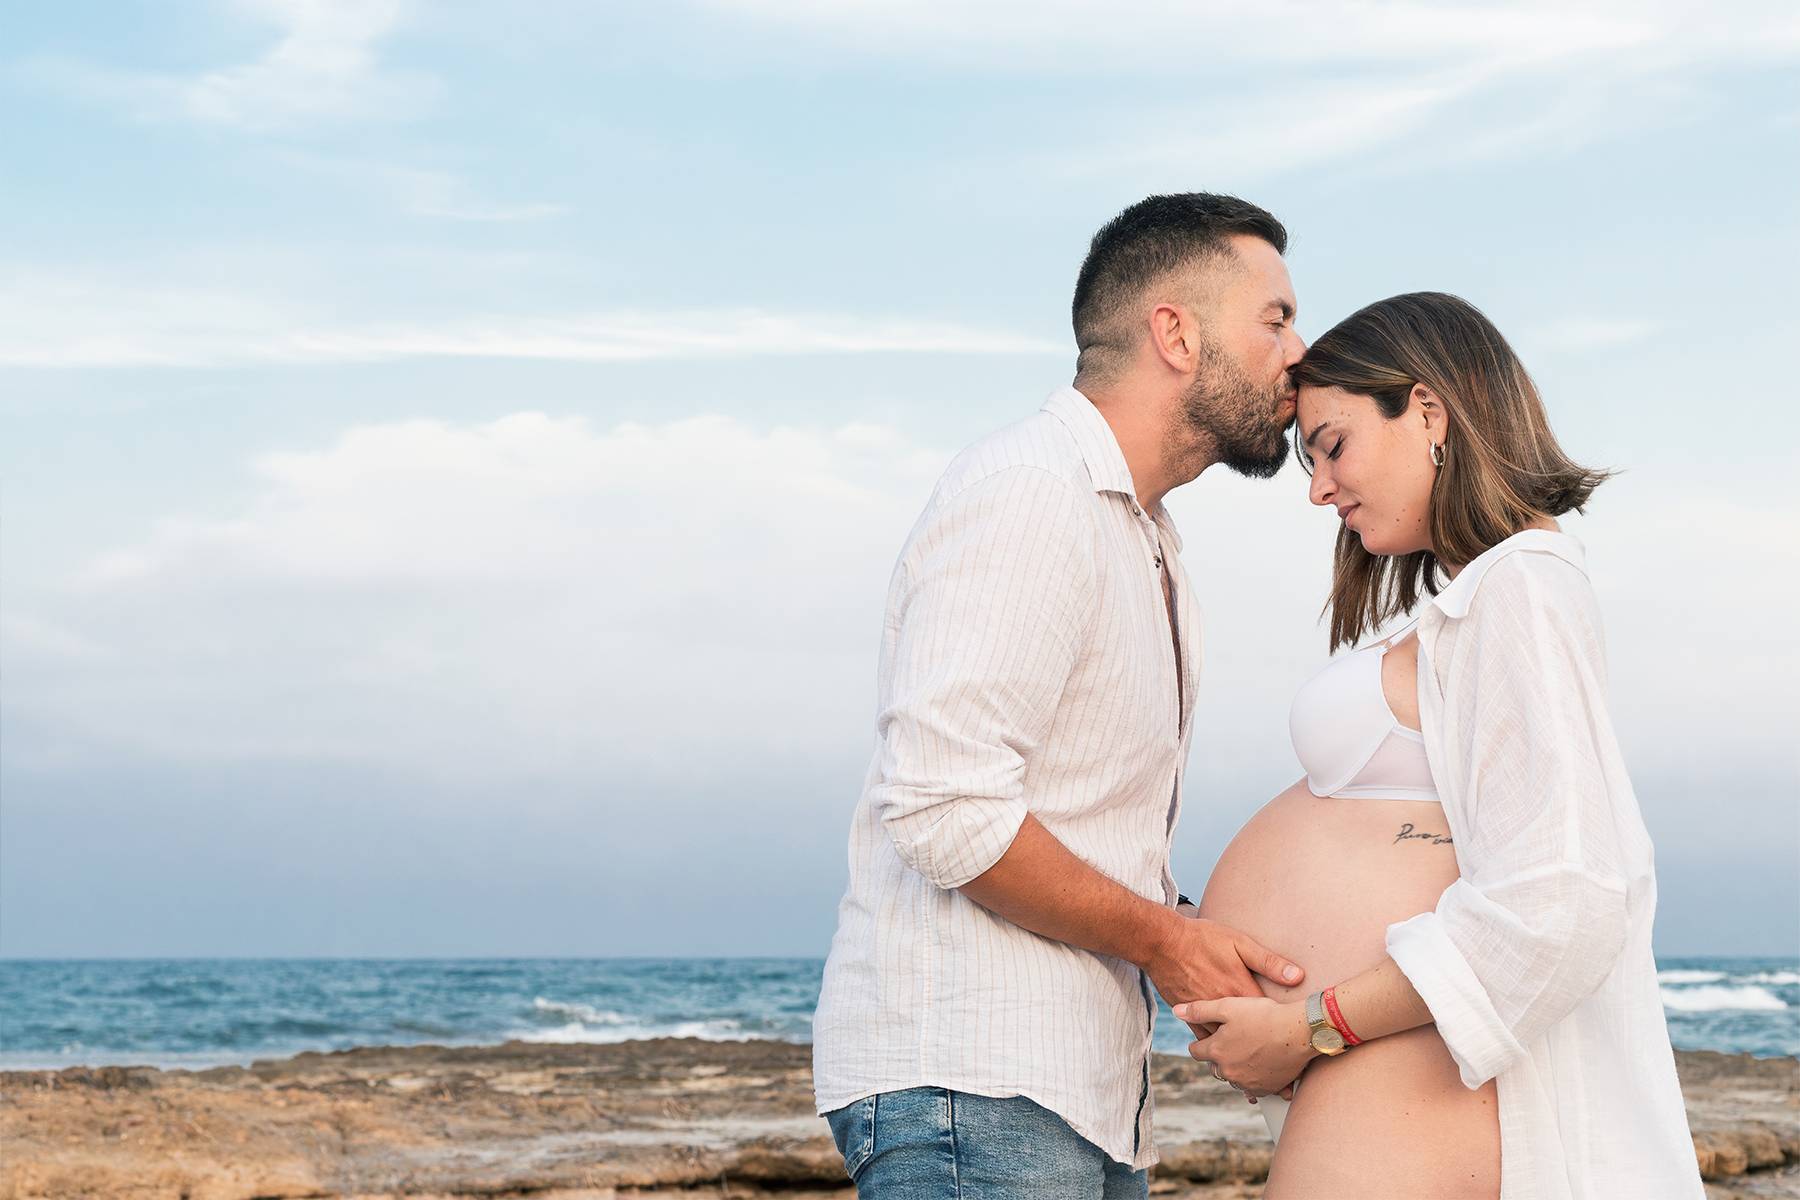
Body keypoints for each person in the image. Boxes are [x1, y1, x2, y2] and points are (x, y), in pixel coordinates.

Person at [811, 193, 1310, 1197]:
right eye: (1275, 319)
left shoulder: (1146, 539)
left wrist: (1202, 935)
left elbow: (1082, 824)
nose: (1299, 351)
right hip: (975, 1092)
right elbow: (945, 809)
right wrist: (1168, 942)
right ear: (1175, 332)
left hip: (1073, 1099)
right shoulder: (1032, 493)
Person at [1179, 293, 1703, 1198]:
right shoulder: (1484, 598)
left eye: (1333, 445)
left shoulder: (1520, 590)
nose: (1316, 489)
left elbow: (1565, 897)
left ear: (1428, 410)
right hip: (1390, 1066)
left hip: (1404, 1066)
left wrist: (1312, 1023)